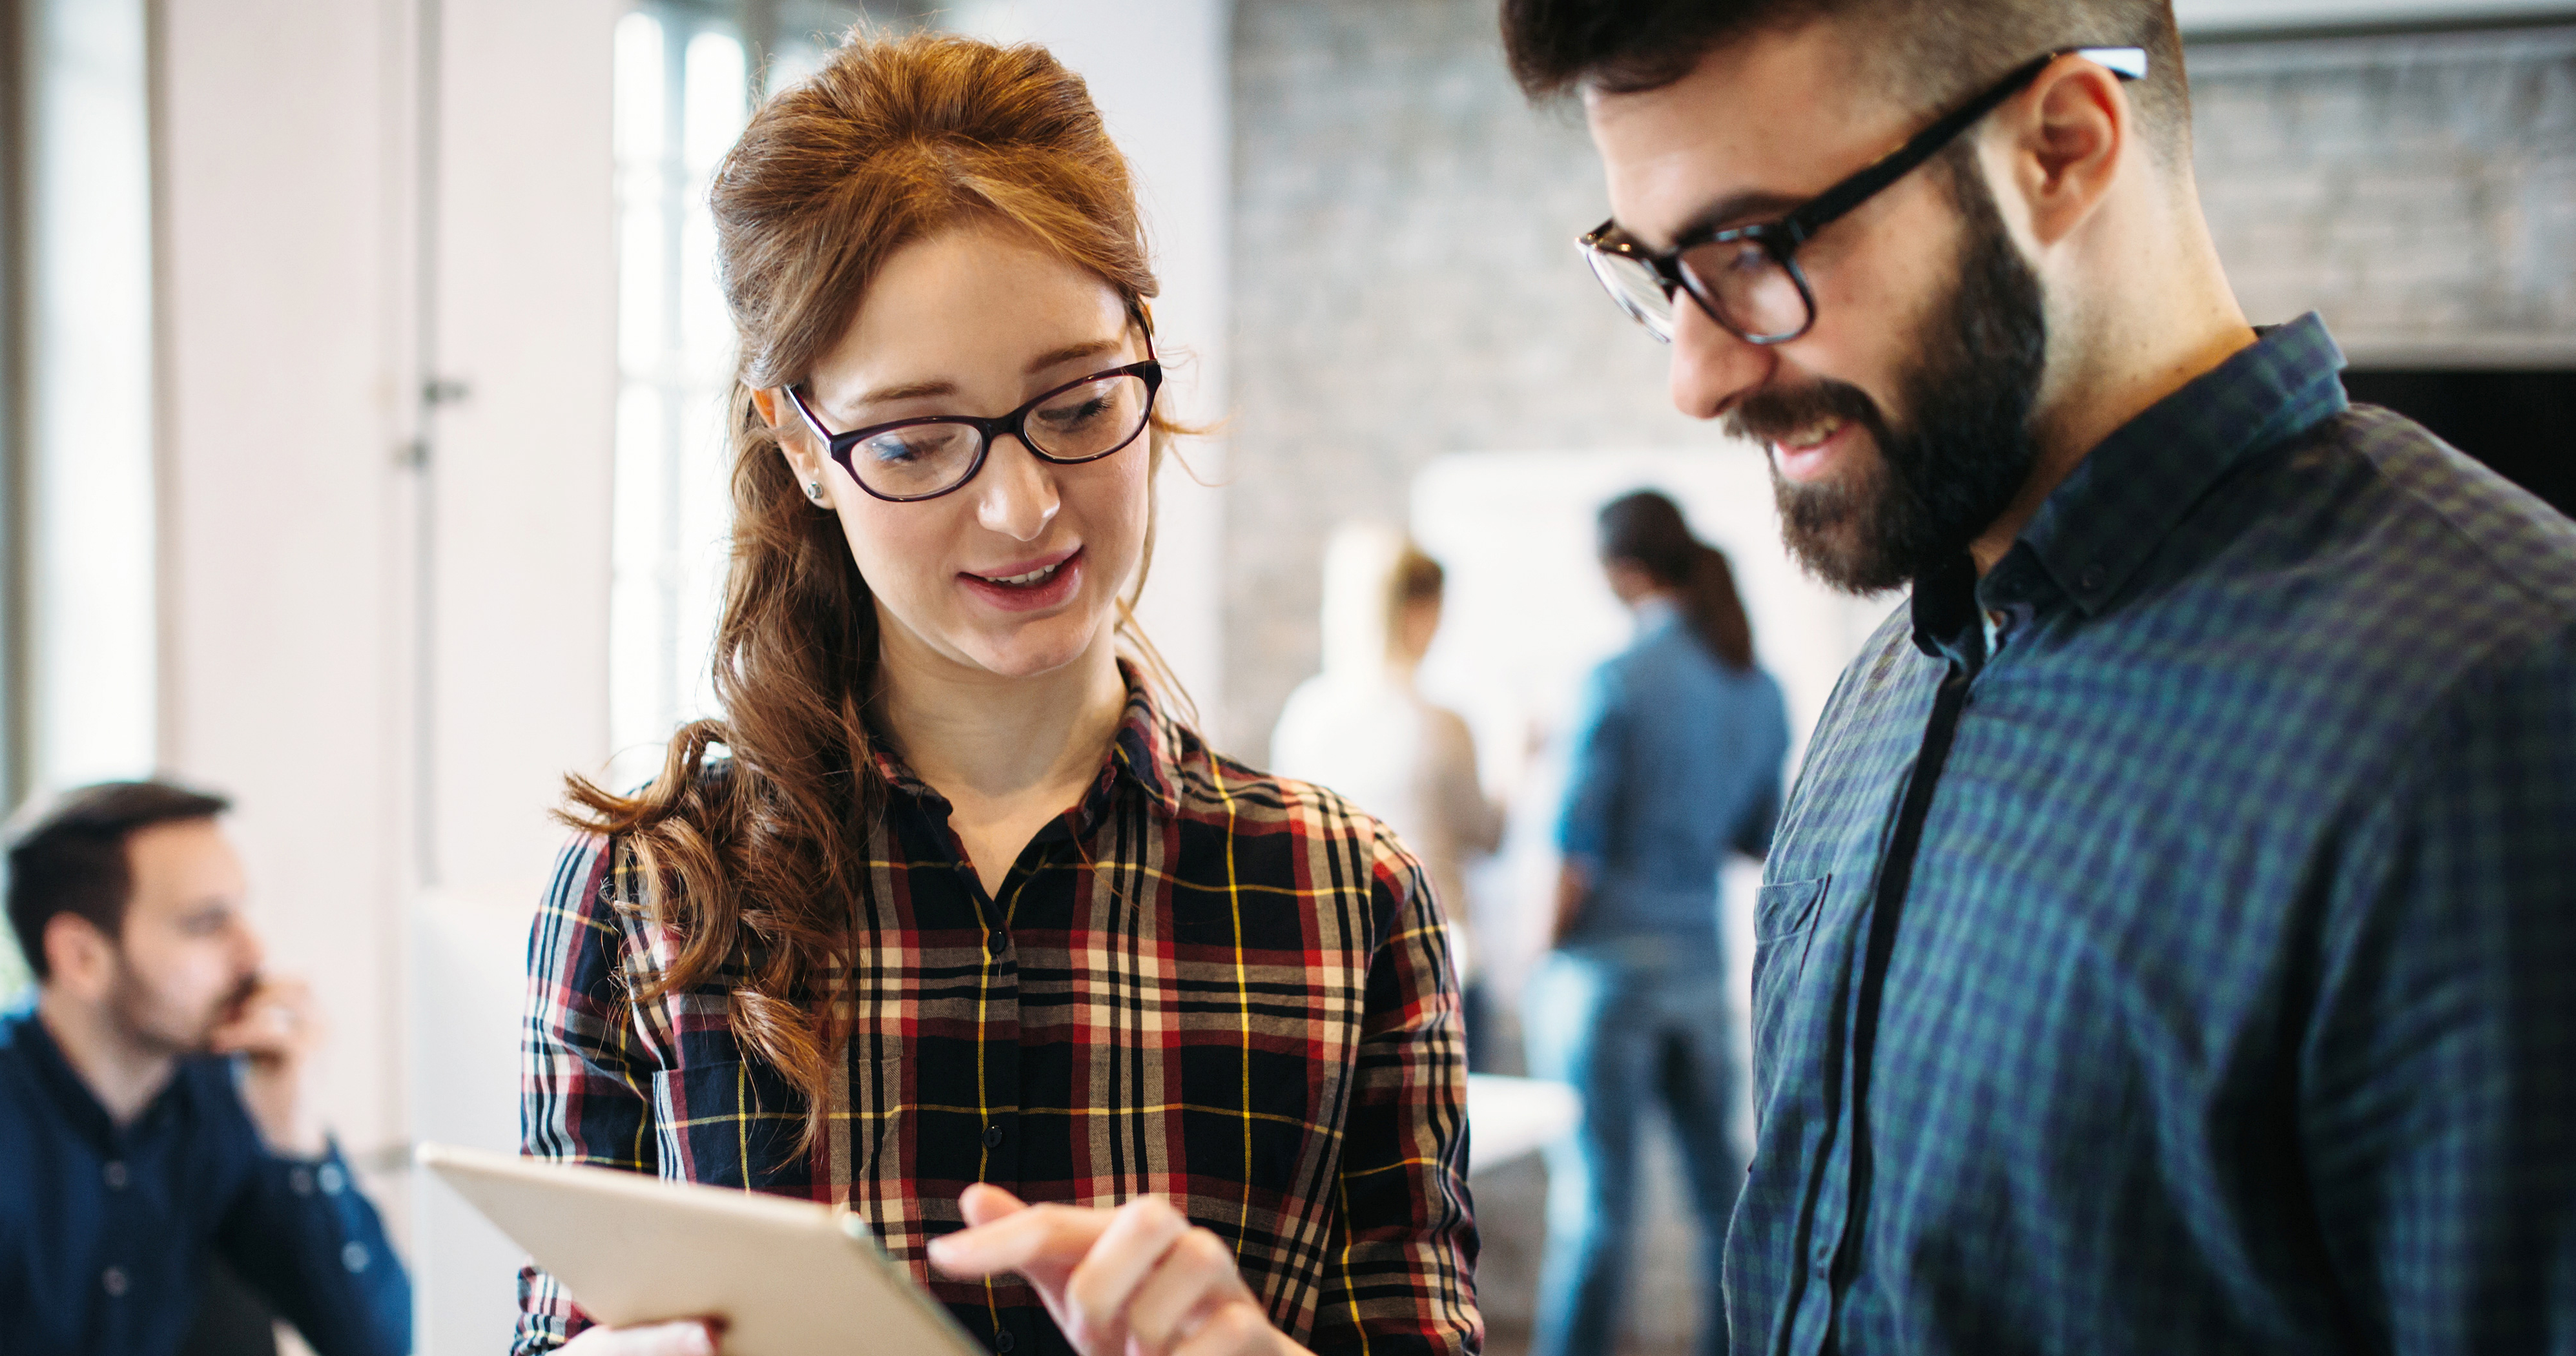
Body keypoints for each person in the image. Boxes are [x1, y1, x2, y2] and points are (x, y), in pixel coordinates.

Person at [1499, 0, 2576, 1351]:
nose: (1699, 377)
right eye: (1657, 269)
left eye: (1757, 248)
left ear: (2062, 148)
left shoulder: (2496, 709)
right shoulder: (1894, 683)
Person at [517, 32, 1477, 1356]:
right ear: (801, 443)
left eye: (1079, 407)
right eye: (915, 442)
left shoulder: (1340, 900)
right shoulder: (650, 901)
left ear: (1147, 352)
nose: (1024, 507)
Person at [0, 782, 411, 1356]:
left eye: (240, 913)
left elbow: (384, 1344)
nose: (252, 951)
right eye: (206, 924)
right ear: (81, 957)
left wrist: (293, 1134)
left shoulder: (213, 1095)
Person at [1522, 491, 1785, 1356]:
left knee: (1599, 1211)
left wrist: (1538, 952)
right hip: (1701, 972)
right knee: (1723, 1202)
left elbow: (1576, 848)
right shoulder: (1756, 686)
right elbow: (1758, 835)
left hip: (1607, 975)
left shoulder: (1617, 680)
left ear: (1624, 572)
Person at [1270, 524, 1505, 1066]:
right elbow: (1486, 835)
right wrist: (1518, 763)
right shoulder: (1441, 723)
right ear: (1417, 610)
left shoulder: (1306, 716)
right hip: (1438, 960)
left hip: (1336, 964)